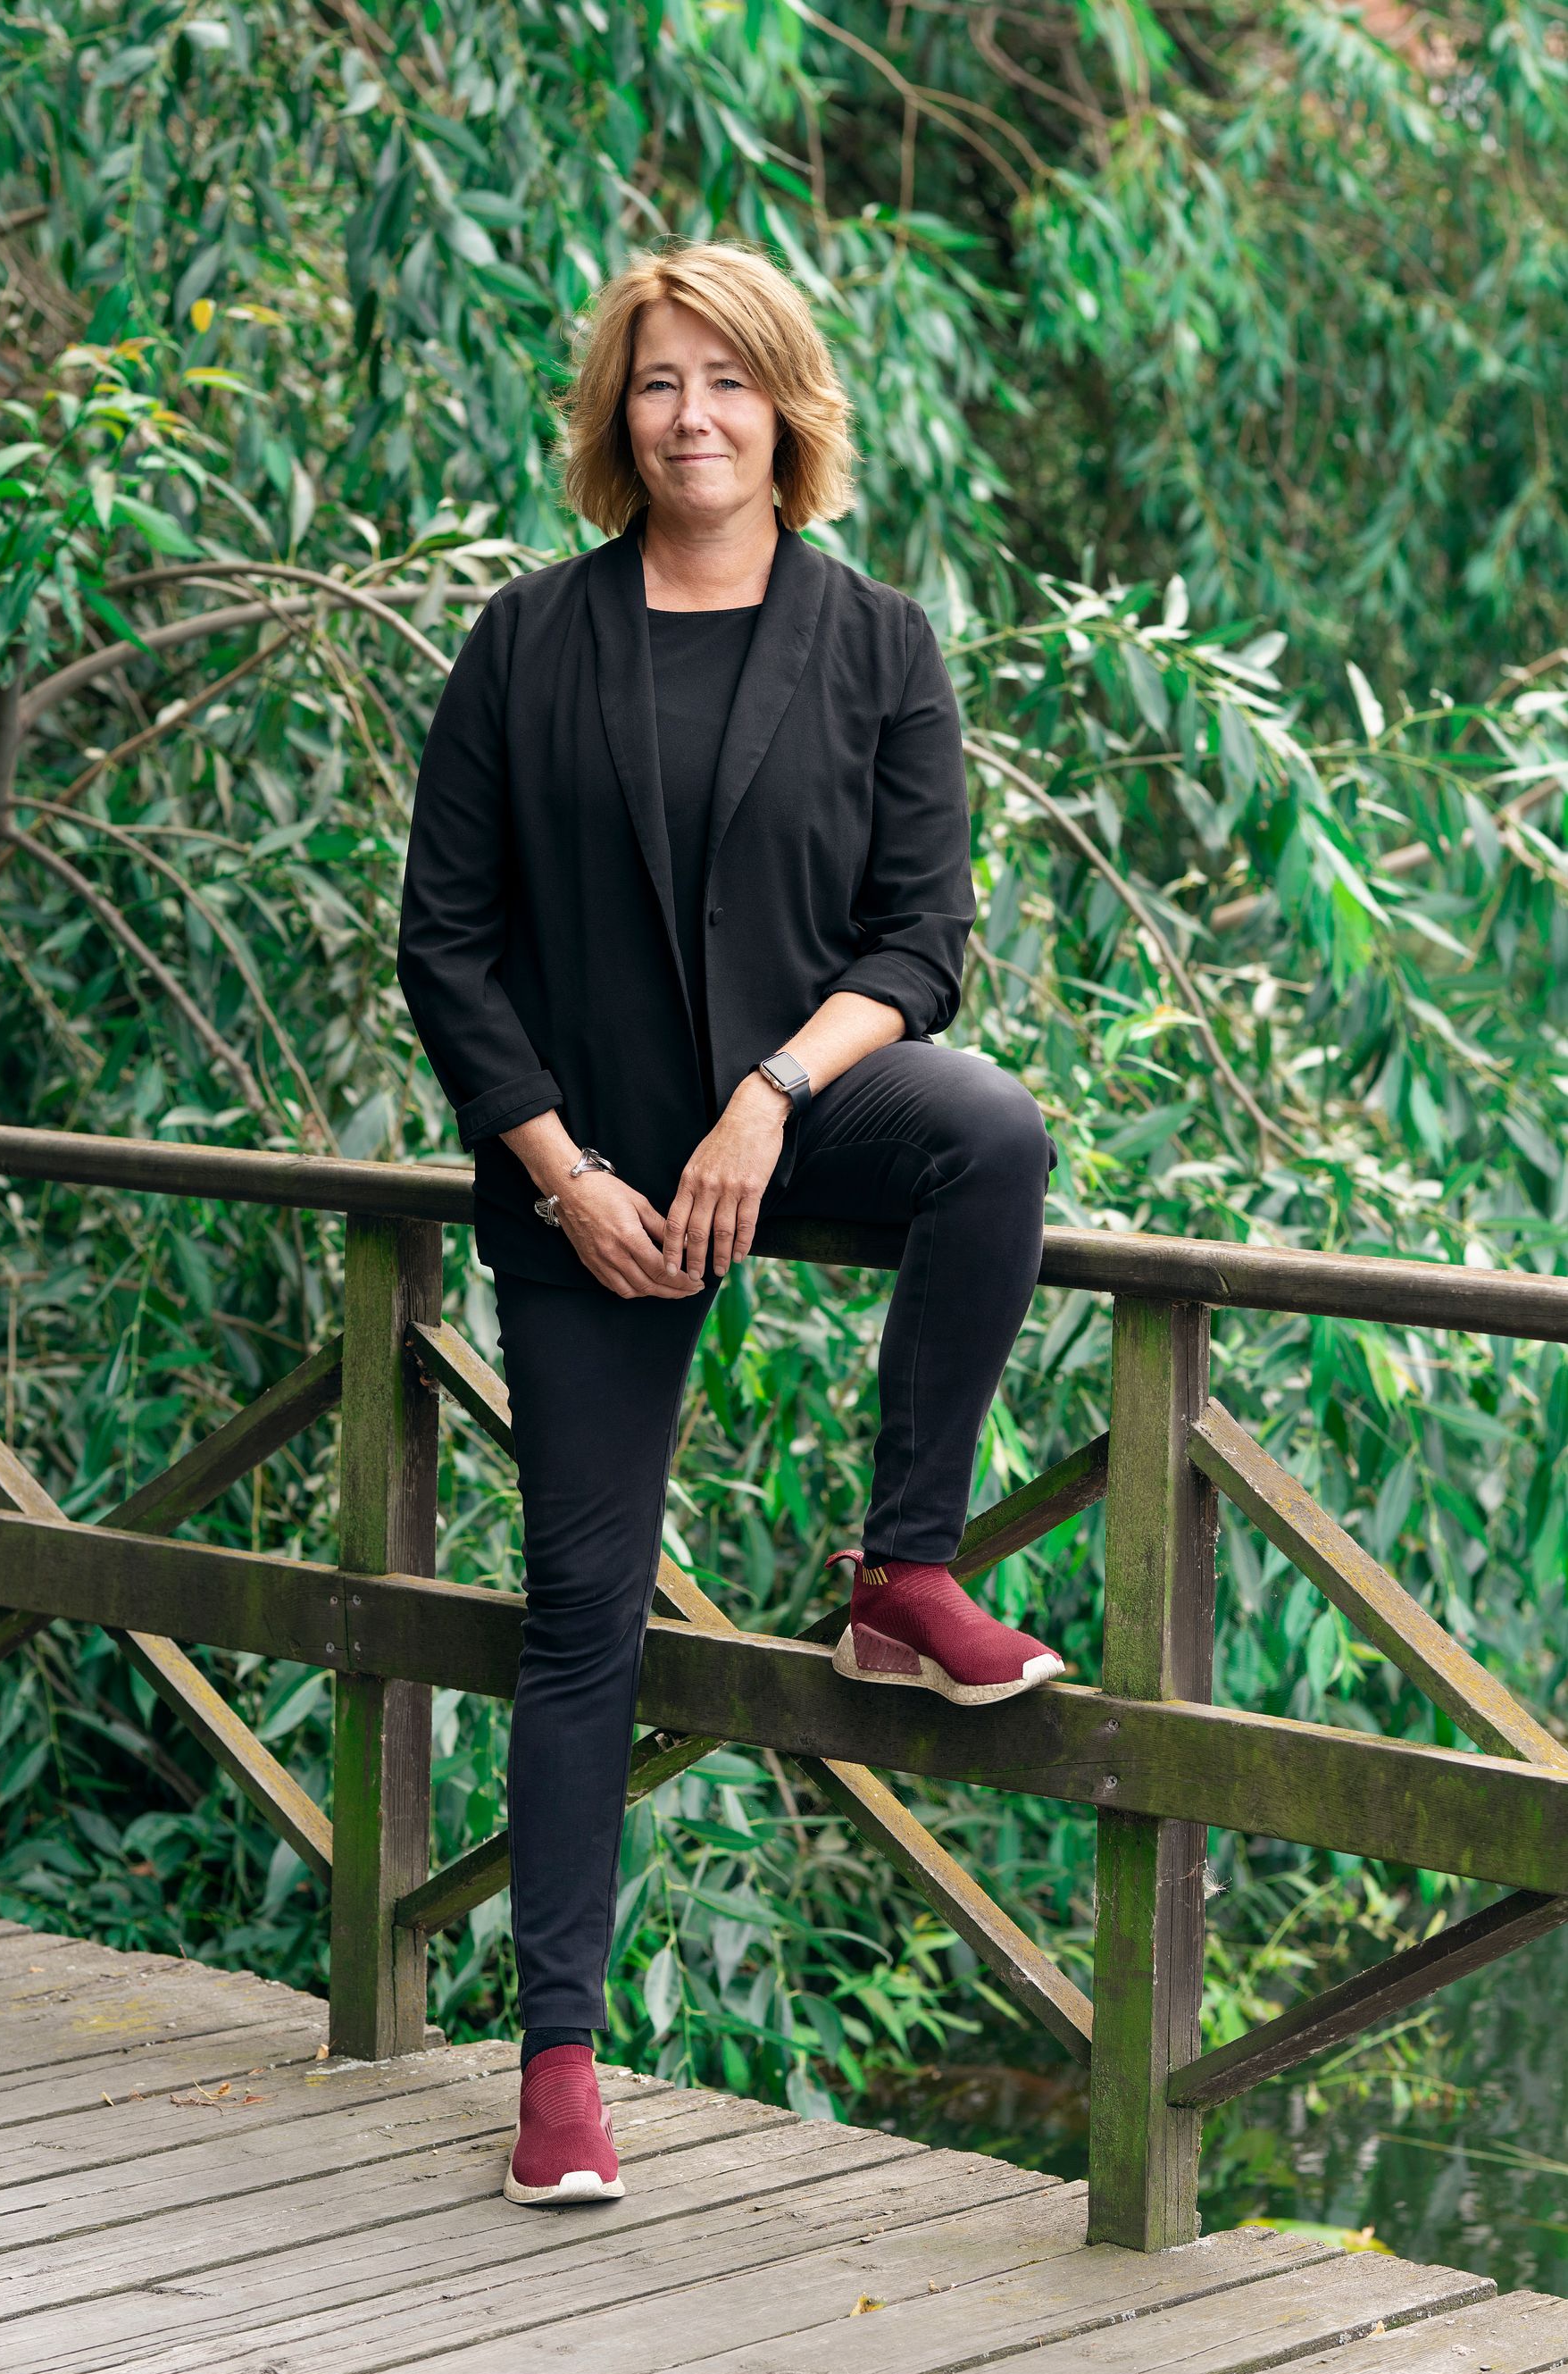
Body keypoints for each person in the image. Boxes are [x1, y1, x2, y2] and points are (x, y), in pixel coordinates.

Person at [396, 238, 1061, 2208]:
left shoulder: (878, 641)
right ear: (620, 414)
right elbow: (447, 946)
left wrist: (773, 1092)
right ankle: (561, 2065)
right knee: (585, 1611)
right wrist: (566, 1172)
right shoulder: (526, 640)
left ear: (789, 411)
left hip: (803, 1117)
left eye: (731, 382)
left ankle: (902, 1572)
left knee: (994, 1138)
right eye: (661, 381)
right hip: (578, 1173)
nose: (695, 415)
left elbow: (922, 941)